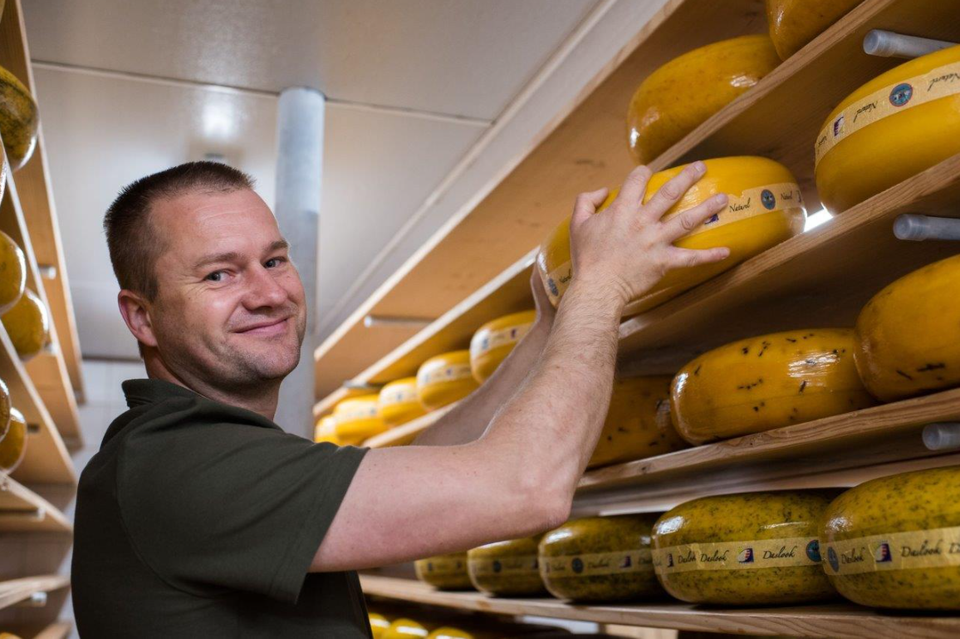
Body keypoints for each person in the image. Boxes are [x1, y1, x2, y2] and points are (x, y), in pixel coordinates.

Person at [72, 160, 729, 637]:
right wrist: (603, 288)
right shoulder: (180, 464)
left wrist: (550, 328)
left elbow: (434, 467)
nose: (269, 293)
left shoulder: (204, 452)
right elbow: (528, 486)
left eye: (273, 260)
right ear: (142, 317)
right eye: (219, 273)